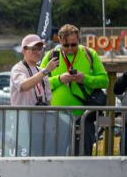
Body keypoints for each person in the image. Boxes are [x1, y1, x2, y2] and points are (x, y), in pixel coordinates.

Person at [46, 24, 109, 156]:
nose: (70, 48)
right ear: (59, 41)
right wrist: (60, 79)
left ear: (79, 40)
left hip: (84, 117)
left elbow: (105, 81)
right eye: (66, 45)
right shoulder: (51, 56)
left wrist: (84, 79)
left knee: (83, 157)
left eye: (73, 45)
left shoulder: (89, 54)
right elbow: (40, 83)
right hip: (58, 117)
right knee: (56, 157)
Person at [10, 35, 51, 108]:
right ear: (23, 50)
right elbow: (23, 86)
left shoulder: (42, 71)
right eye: (34, 49)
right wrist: (45, 71)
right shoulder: (17, 69)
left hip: (42, 114)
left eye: (40, 49)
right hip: (22, 114)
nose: (38, 52)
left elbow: (48, 99)